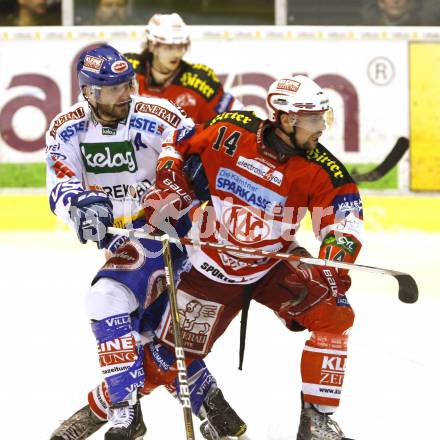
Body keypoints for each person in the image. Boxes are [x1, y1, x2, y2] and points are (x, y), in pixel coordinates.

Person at [140, 75, 364, 440]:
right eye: (314, 119)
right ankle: (114, 407)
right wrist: (168, 179)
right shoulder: (231, 130)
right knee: (166, 362)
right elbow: (178, 142)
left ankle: (317, 421)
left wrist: (336, 256)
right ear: (287, 119)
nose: (322, 128)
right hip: (213, 265)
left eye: (324, 117)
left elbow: (344, 219)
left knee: (334, 314)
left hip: (272, 264)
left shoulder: (323, 168)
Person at [46, 44, 246, 440]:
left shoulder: (157, 115)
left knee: (107, 300)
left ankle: (121, 411)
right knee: (147, 334)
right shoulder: (66, 127)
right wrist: (79, 205)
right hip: (122, 240)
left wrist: (197, 173)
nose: (125, 93)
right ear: (89, 91)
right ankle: (217, 410)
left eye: (126, 84)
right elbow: (61, 184)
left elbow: (199, 146)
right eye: (112, 88)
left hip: (168, 233)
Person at [124, 12, 241, 125]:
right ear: (151, 45)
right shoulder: (127, 68)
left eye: (180, 46)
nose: (176, 54)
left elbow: (238, 118)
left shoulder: (201, 80)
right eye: (169, 47)